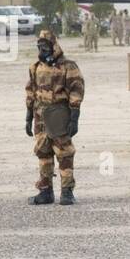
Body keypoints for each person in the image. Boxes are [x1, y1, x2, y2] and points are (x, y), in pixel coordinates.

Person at [25, 30, 85, 205]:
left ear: (53, 46)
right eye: (39, 47)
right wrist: (28, 116)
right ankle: (45, 191)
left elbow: (76, 89)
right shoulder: (35, 67)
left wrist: (74, 116)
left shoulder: (68, 66)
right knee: (43, 153)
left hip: (59, 114)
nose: (42, 50)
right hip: (40, 116)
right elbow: (31, 91)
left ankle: (67, 192)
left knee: (64, 153)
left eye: (45, 46)